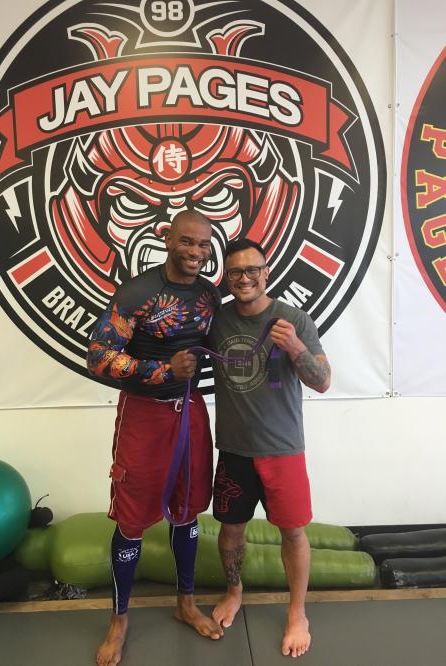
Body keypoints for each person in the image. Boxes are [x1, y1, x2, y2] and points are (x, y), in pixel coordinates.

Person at [87, 210, 223, 666]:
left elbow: (220, 344)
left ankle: (186, 603)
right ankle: (119, 620)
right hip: (144, 414)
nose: (196, 252)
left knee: (188, 510)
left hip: (191, 411)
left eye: (203, 244)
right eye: (187, 242)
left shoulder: (209, 294)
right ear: (167, 239)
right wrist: (163, 370)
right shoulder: (138, 292)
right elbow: (98, 356)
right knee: (131, 519)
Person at [209, 238, 331, 658]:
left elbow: (322, 381)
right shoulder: (218, 321)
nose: (244, 278)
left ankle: (297, 613)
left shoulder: (294, 319)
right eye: (235, 271)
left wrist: (295, 347)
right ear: (227, 278)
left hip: (283, 449)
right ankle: (234, 591)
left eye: (252, 270)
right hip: (233, 450)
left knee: (293, 532)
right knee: (230, 530)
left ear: (266, 272)